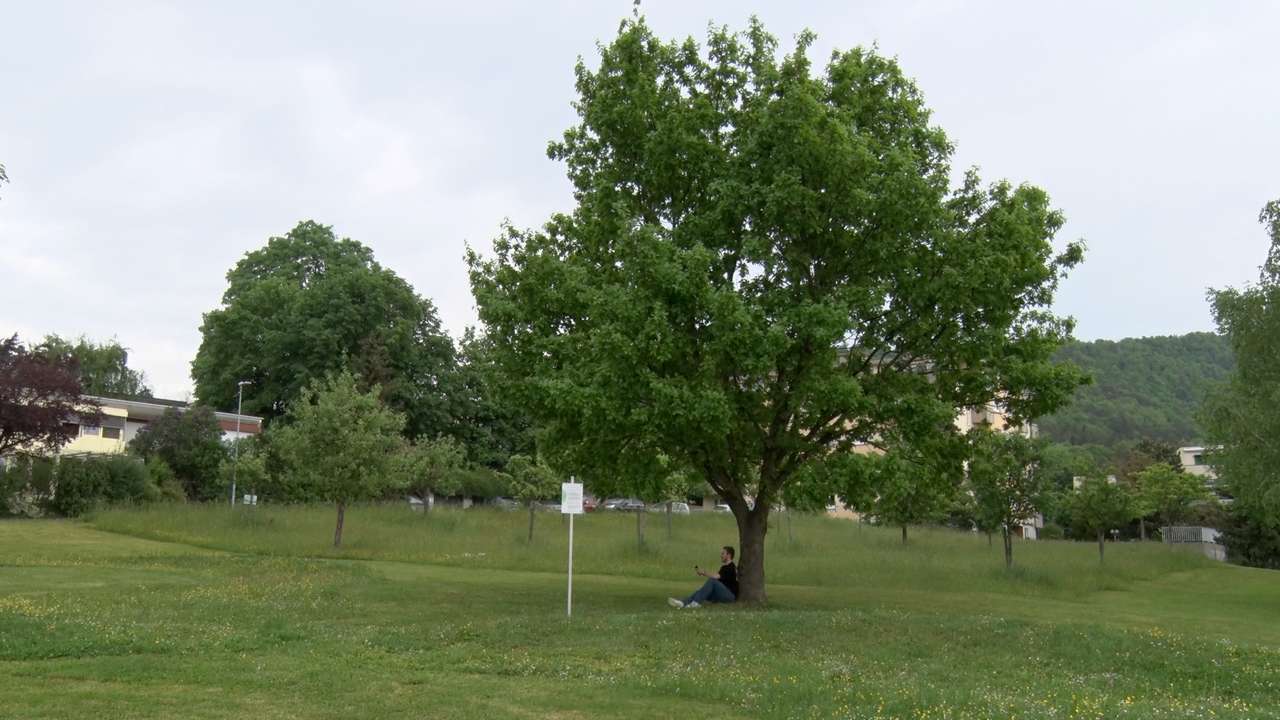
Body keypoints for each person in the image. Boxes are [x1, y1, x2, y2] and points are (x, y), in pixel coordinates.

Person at [668, 546, 737, 608]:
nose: (721, 555)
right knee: (700, 591)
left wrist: (704, 572)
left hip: (729, 596)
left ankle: (696, 603)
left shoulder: (731, 567)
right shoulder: (724, 567)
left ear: (729, 555)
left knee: (712, 581)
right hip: (721, 594)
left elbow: (716, 577)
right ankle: (683, 603)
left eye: (723, 553)